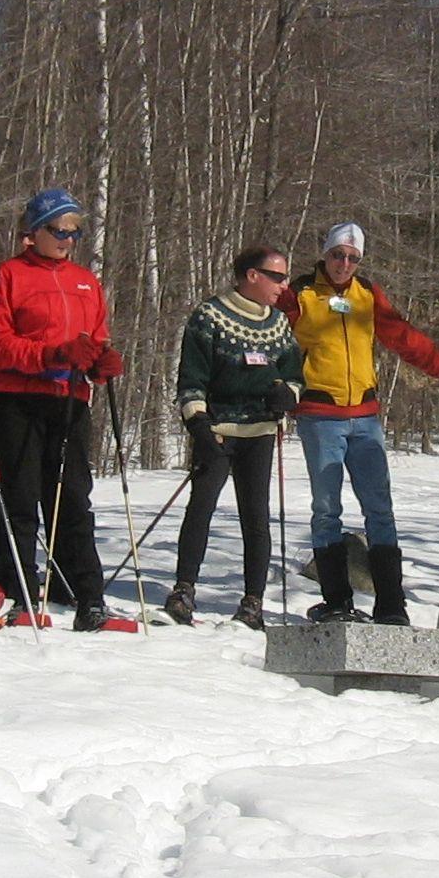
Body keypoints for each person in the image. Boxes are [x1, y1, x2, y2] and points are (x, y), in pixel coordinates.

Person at [273, 222, 439, 625]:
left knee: (379, 511)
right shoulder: (300, 295)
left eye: (352, 258)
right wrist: (275, 387)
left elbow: (404, 337)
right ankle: (336, 601)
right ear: (325, 254)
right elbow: (270, 340)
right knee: (326, 510)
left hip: (365, 418)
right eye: (337, 255)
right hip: (320, 416)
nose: (344, 264)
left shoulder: (367, 295)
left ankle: (391, 605)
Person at [0, 187, 124, 630]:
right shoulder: (9, 276)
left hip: (69, 400)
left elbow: (95, 338)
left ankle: (86, 593)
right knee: (20, 496)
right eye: (56, 229)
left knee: (73, 497)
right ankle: (19, 585)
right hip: (16, 398)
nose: (65, 238)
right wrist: (51, 355)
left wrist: (100, 362)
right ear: (34, 231)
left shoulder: (86, 281)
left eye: (73, 231)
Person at [168, 244, 305, 629]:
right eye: (277, 277)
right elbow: (191, 378)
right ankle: (183, 589)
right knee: (202, 508)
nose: (284, 285)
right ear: (252, 276)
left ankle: (253, 601)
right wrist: (198, 422)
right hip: (218, 430)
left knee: (256, 516)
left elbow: (295, 374)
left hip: (260, 431)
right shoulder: (209, 316)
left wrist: (288, 395)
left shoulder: (279, 324)